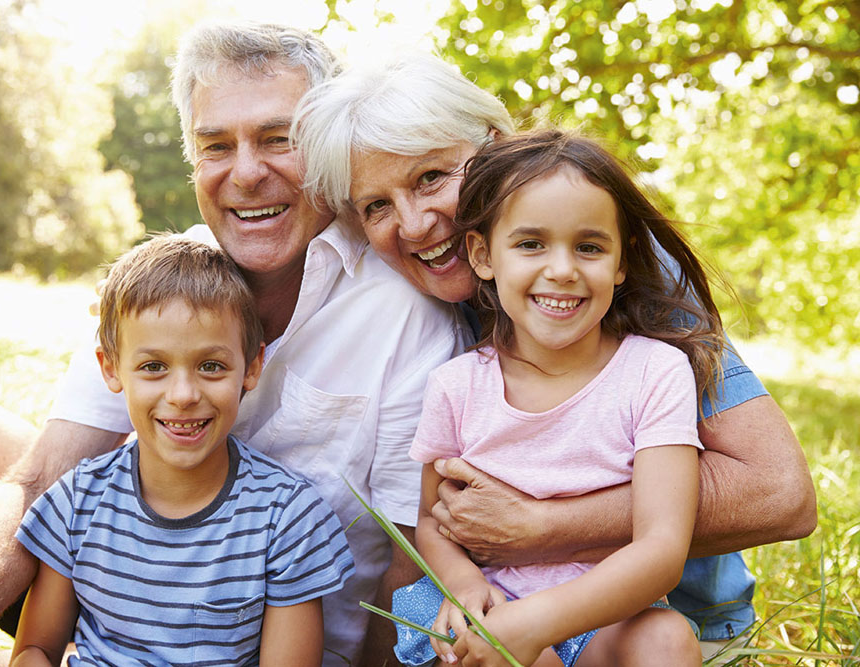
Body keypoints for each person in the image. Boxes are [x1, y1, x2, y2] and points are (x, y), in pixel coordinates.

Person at [0, 23, 466, 667]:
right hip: (132, 603)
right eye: (215, 145)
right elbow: (41, 479)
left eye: (277, 139)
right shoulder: (167, 283)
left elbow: (406, 566)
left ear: (325, 148)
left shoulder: (403, 309)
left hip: (288, 642)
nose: (246, 173)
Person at [292, 53, 816, 656]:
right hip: (499, 608)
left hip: (658, 621)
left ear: (495, 151)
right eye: (376, 206)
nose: (413, 225)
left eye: (432, 177)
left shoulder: (600, 278)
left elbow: (781, 492)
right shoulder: (427, 316)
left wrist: (544, 528)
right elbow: (426, 527)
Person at [393, 128, 725, 667]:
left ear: (621, 262)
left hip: (604, 611)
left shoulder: (653, 372)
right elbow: (433, 519)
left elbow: (662, 550)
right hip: (494, 601)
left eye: (589, 247)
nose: (563, 269)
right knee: (508, 654)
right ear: (482, 255)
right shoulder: (456, 385)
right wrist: (463, 583)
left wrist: (540, 622)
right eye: (530, 244)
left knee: (666, 640)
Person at [10, 234, 354, 666]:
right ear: (111, 368)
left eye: (211, 366)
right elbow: (34, 649)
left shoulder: (287, 519)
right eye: (153, 367)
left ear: (251, 367)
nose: (183, 394)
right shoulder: (77, 503)